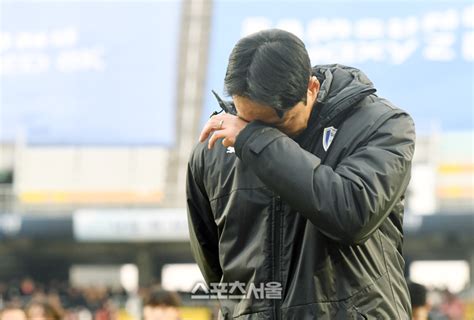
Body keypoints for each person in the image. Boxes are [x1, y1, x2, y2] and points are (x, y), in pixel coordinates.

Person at [187, 29, 415, 319]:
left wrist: (253, 140)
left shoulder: (383, 125)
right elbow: (215, 266)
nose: (254, 133)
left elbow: (353, 214)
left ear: (312, 88)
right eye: (247, 121)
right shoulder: (213, 149)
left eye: (275, 125)